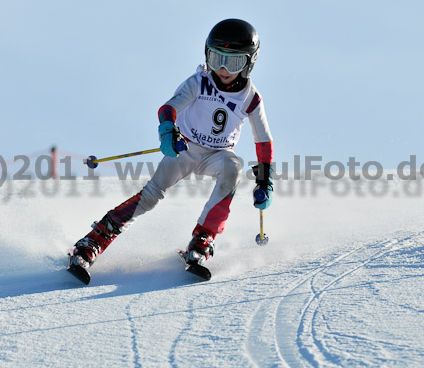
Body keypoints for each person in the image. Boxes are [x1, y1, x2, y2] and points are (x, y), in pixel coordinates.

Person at [70, 18, 274, 271]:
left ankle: (203, 238)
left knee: (233, 166)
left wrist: (265, 180)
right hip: (185, 148)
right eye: (216, 58)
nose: (222, 69)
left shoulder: (251, 98)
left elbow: (263, 140)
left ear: (249, 62)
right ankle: (94, 240)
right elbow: (169, 107)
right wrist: (168, 131)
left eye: (232, 61)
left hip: (218, 154)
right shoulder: (199, 82)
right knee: (151, 196)